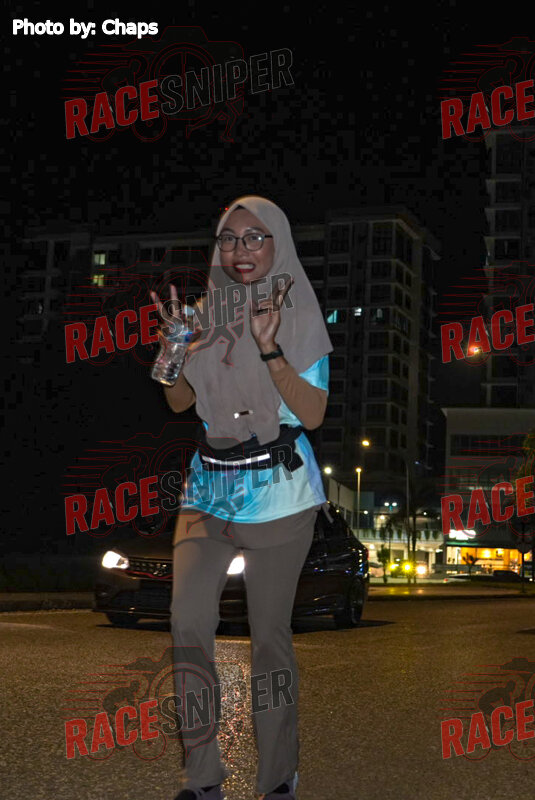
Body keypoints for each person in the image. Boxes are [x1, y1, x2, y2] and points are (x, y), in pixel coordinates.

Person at [150, 195, 332, 800]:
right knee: (187, 624)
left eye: (255, 237)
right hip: (208, 489)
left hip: (280, 495)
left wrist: (270, 346)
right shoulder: (203, 313)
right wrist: (176, 349)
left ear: (278, 242)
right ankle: (202, 777)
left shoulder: (298, 312)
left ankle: (278, 775)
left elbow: (313, 413)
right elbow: (178, 401)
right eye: (229, 239)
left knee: (268, 637)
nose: (240, 250)